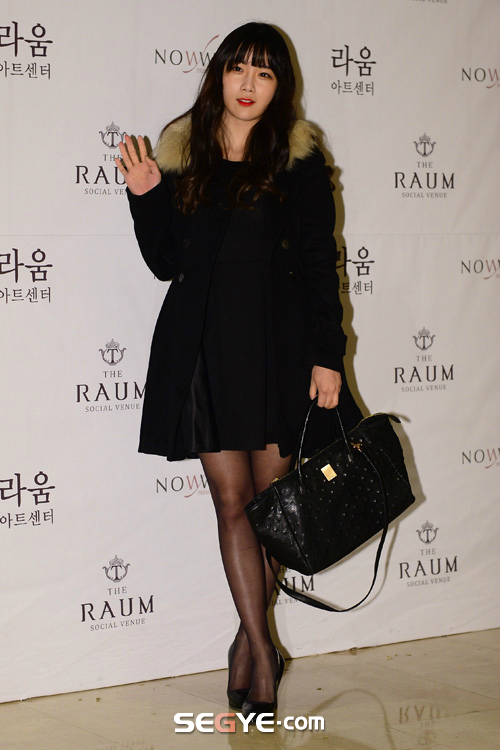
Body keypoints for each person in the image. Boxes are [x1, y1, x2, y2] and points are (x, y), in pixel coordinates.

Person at [116, 21, 362, 721]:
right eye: (238, 68)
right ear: (218, 75)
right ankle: (260, 651)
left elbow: (320, 262)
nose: (248, 84)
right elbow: (166, 262)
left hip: (281, 352)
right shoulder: (183, 152)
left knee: (272, 508)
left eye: (265, 72)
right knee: (232, 505)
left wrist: (329, 355)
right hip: (206, 351)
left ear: (280, 86)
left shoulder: (297, 158)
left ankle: (247, 646)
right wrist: (146, 195)